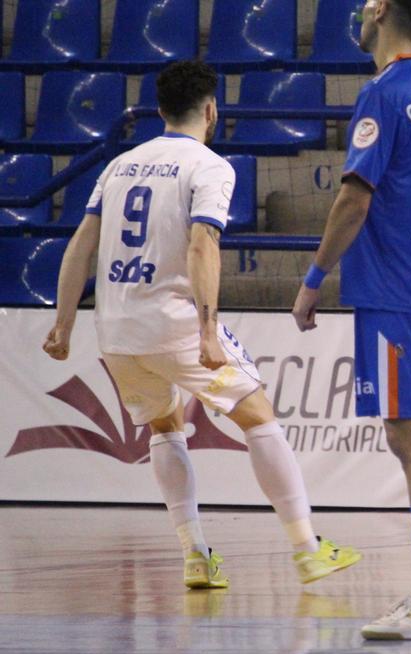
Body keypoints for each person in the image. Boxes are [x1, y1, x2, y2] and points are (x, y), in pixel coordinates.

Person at [43, 59, 362, 590]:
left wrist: (64, 322)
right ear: (212, 111)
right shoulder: (210, 166)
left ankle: (195, 556)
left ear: (161, 110)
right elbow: (202, 244)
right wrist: (209, 331)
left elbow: (82, 242)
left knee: (164, 426)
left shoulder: (120, 164)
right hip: (173, 322)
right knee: (258, 414)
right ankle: (308, 549)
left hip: (116, 326)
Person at [290, 0, 411, 640]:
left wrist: (315, 277)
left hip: (394, 294)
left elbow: (353, 197)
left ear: (379, 12)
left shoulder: (383, 94)